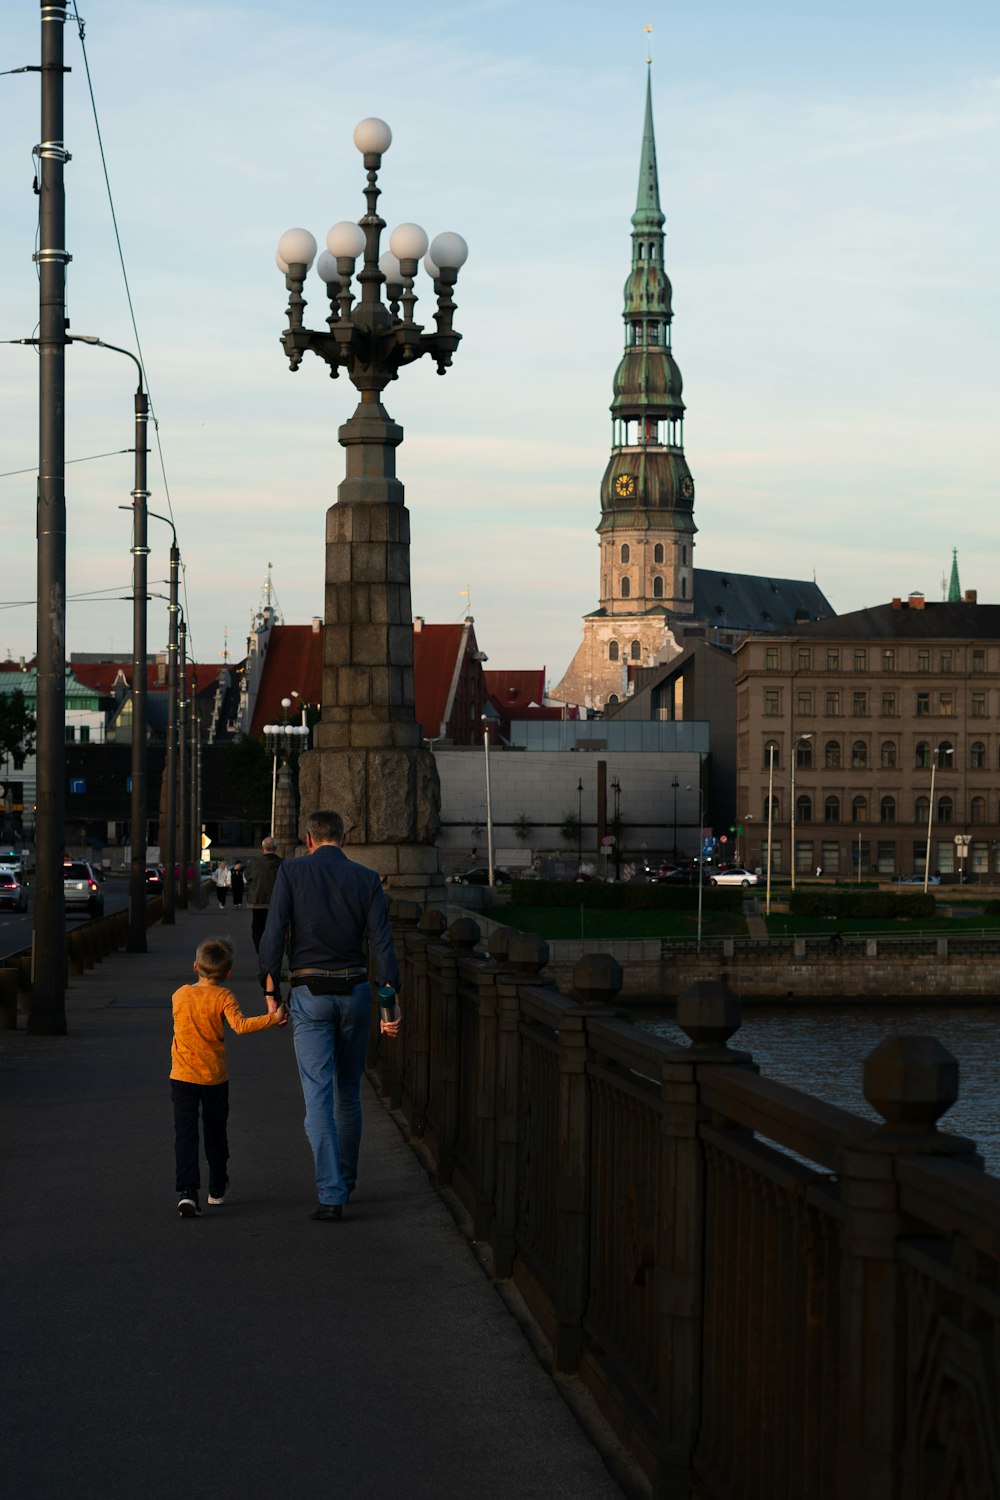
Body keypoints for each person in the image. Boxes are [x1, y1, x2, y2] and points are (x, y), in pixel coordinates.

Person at [258, 809, 401, 1222]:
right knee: (348, 1093)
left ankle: (331, 1192)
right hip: (355, 990)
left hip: (309, 991)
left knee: (316, 1095)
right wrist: (390, 1002)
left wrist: (271, 991)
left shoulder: (291, 873)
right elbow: (382, 942)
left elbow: (274, 932)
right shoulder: (366, 879)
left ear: (308, 839)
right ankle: (347, 1177)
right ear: (342, 839)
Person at [170, 936, 286, 1218]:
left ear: (195, 966)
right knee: (215, 1131)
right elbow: (241, 1026)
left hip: (182, 1075)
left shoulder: (179, 995)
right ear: (228, 973)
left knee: (185, 1133)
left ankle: (187, 1191)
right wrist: (272, 1018)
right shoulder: (224, 997)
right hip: (214, 1077)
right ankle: (217, 1185)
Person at [245, 836, 283, 952]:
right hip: (276, 901)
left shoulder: (254, 862)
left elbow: (247, 877)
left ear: (263, 848)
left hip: (257, 900)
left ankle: (260, 949)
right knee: (274, 927)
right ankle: (272, 949)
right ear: (275, 848)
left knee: (257, 927)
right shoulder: (282, 863)